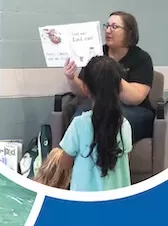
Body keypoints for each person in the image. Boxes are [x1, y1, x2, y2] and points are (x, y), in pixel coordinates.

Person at [63, 11, 155, 143]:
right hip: (98, 104)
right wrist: (71, 78)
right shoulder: (97, 53)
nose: (108, 31)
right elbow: (84, 91)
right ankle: (78, 159)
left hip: (134, 109)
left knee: (113, 121)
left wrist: (112, 72)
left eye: (114, 27)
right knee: (80, 118)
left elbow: (135, 98)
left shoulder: (141, 58)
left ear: (129, 33)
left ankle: (109, 160)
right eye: (107, 26)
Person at [59, 55, 133, 191]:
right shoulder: (124, 125)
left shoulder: (79, 125)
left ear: (85, 88)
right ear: (119, 87)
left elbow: (64, 164)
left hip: (84, 206)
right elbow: (125, 159)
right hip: (118, 204)